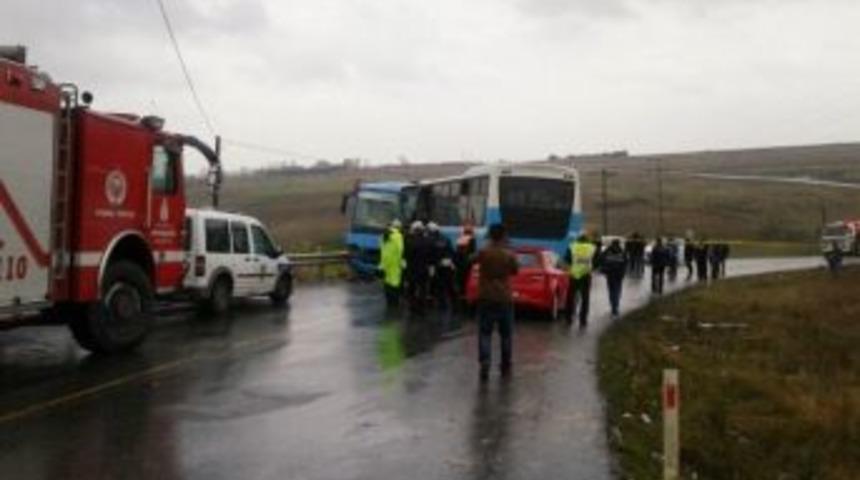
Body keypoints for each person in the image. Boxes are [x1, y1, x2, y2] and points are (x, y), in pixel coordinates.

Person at [475, 223, 519, 381]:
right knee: (506, 334)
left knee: (485, 333)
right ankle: (505, 365)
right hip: (504, 298)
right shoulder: (509, 254)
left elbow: (472, 260)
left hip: (485, 296)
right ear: (503, 236)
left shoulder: (483, 252)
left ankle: (485, 361)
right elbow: (515, 270)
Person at [564, 233, 597, 327]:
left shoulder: (572, 247)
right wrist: (592, 267)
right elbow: (597, 260)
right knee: (585, 298)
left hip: (574, 274)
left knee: (570, 297)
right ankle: (583, 320)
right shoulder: (592, 247)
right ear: (587, 240)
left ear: (578, 240)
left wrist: (571, 265)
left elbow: (567, 259)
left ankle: (568, 318)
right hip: (586, 274)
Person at [428, 222, 456, 309]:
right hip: (446, 264)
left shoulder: (431, 239)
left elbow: (431, 254)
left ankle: (436, 300)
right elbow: (451, 251)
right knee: (447, 284)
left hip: (436, 265)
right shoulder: (445, 239)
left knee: (436, 283)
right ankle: (451, 301)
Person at [404, 221, 431, 313]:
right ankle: (421, 307)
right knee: (423, 289)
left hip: (412, 269)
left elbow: (406, 255)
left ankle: (412, 306)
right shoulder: (427, 241)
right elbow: (431, 255)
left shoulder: (410, 241)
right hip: (424, 269)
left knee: (411, 288)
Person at [378, 226, 404, 308]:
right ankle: (394, 302)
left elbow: (382, 252)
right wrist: (402, 262)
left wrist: (381, 266)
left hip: (388, 264)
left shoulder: (384, 238)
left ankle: (391, 301)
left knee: (389, 282)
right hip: (394, 264)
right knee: (394, 283)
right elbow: (400, 250)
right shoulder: (398, 237)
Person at [601, 239, 627, 317]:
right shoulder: (622, 252)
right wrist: (623, 272)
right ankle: (615, 306)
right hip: (618, 274)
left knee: (611, 290)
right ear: (618, 244)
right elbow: (625, 263)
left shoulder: (607, 251)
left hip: (610, 274)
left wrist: (604, 270)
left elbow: (602, 260)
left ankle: (613, 306)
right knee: (617, 290)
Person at [455, 222, 477, 301]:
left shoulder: (460, 239)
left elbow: (457, 252)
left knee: (460, 281)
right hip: (467, 264)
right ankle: (465, 296)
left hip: (460, 264)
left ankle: (460, 297)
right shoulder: (472, 239)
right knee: (466, 281)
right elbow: (473, 252)